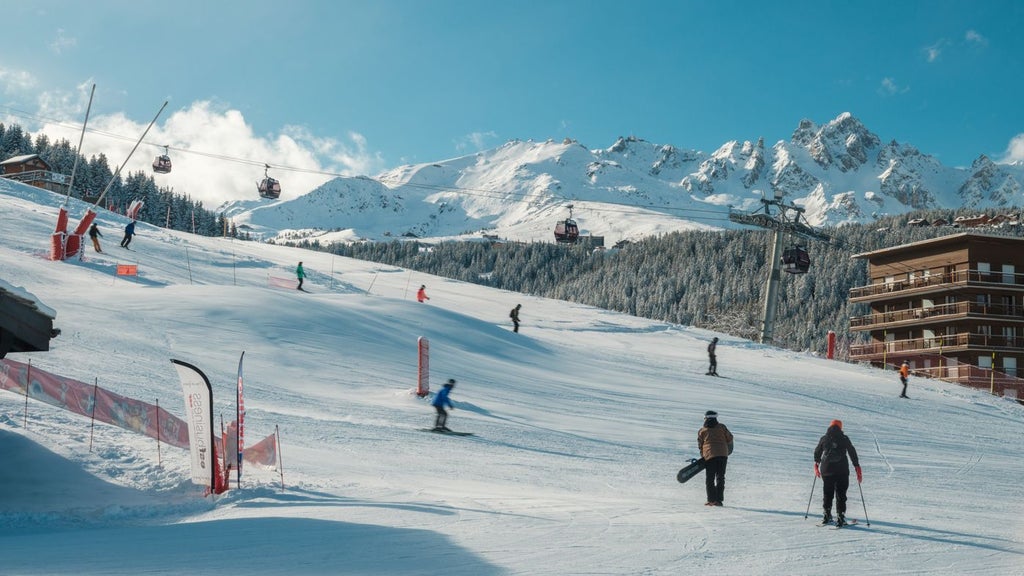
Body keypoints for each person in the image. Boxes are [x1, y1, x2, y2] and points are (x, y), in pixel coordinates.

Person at [813, 419, 861, 527]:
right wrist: (857, 466)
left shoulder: (824, 438)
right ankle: (840, 517)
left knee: (827, 493)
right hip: (842, 470)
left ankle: (826, 516)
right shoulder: (844, 438)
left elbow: (817, 452)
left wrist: (816, 464)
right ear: (840, 427)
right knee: (841, 494)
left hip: (826, 470)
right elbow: (852, 451)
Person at [697, 410, 733, 506]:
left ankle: (711, 500)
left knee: (710, 478)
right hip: (723, 454)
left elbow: (700, 444)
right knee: (720, 477)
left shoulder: (702, 430)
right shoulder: (722, 427)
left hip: (709, 456)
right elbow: (730, 438)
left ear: (705, 418)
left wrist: (703, 455)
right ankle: (719, 500)